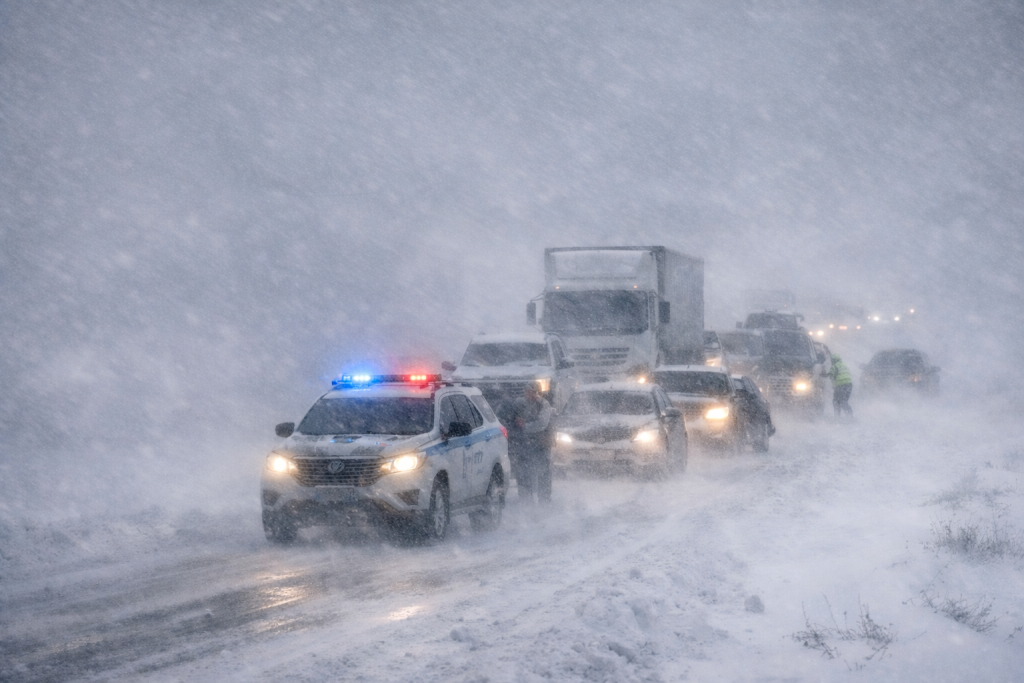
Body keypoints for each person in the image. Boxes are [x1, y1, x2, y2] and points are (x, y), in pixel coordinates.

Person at [506, 384, 554, 504]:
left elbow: (542, 423)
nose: (531, 394)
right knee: (523, 472)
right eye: (528, 391)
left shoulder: (544, 404)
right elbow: (509, 417)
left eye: (534, 392)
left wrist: (525, 426)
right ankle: (525, 499)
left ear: (539, 393)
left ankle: (544, 500)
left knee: (543, 471)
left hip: (541, 443)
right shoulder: (518, 403)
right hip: (523, 443)